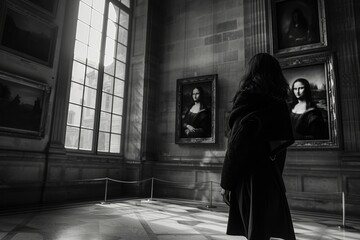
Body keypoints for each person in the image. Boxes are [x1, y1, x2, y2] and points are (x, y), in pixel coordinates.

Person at [220, 53, 296, 240]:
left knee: (255, 232)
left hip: (250, 179)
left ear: (251, 73)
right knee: (264, 231)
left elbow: (236, 148)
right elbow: (280, 149)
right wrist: (275, 175)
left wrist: (226, 183)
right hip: (271, 177)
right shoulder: (279, 105)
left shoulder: (247, 103)